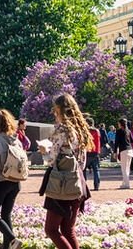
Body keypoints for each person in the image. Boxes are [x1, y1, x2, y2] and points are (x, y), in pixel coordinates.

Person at [41, 93, 92, 249]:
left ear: (60, 110)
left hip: (60, 182)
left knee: (51, 229)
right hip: (77, 182)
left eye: (55, 109)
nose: (53, 112)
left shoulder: (62, 129)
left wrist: (44, 151)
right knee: (68, 230)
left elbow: (51, 159)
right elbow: (82, 163)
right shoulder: (81, 130)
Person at [0, 109, 24, 249]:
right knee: (5, 214)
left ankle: (12, 239)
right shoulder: (17, 140)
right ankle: (7, 246)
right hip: (16, 182)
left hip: (1, 181)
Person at [114, 119, 133, 189]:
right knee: (127, 167)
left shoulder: (119, 131)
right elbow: (132, 140)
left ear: (120, 124)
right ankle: (124, 183)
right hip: (130, 149)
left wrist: (115, 152)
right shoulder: (129, 131)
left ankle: (127, 184)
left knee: (124, 168)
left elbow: (116, 142)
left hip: (123, 150)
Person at [84, 118, 101, 191]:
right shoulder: (97, 131)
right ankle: (96, 186)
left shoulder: (85, 131)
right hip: (95, 152)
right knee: (96, 170)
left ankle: (84, 185)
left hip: (87, 152)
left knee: (83, 169)